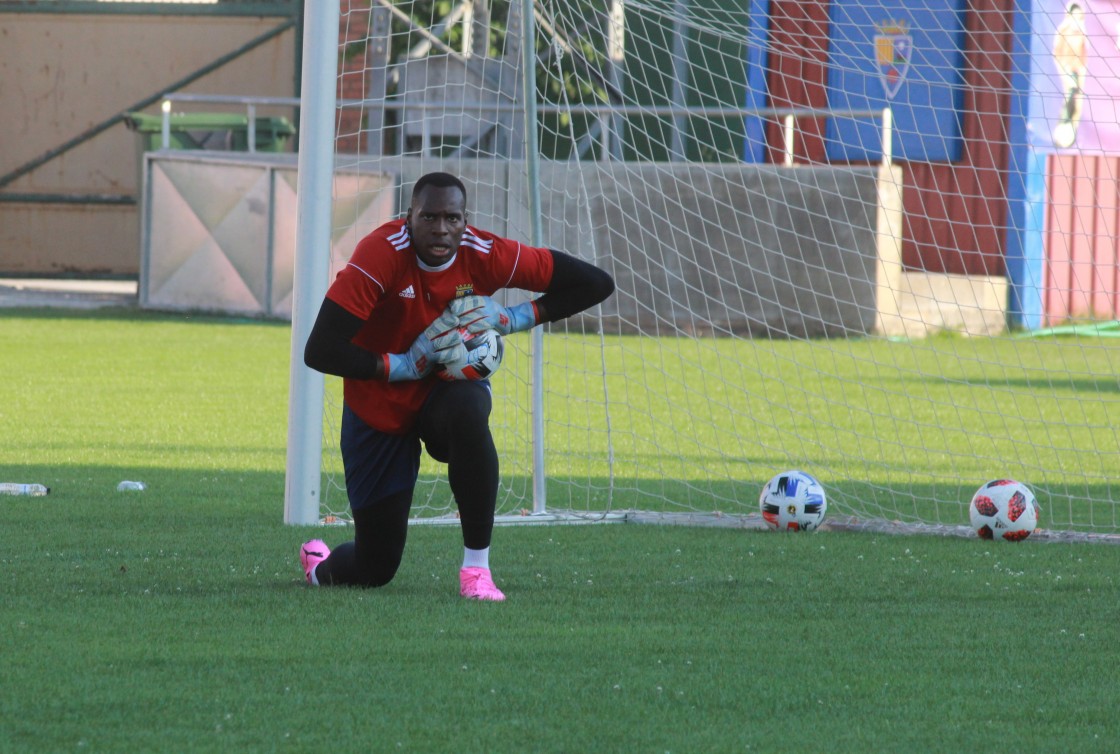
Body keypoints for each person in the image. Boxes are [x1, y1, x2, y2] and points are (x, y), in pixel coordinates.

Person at [298, 172, 615, 601]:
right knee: (375, 568)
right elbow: (320, 350)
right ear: (409, 217)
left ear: (467, 221)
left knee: (469, 409)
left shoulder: (486, 253)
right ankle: (318, 567)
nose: (441, 228)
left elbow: (596, 283)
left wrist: (512, 318)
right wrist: (401, 365)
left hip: (443, 395)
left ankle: (476, 572)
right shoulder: (378, 255)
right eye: (429, 216)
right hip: (379, 404)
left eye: (452, 218)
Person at [1052, 1, 1087, 147]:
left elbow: (1084, 55)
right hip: (1065, 70)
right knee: (1068, 99)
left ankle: (1071, 133)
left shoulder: (1081, 33)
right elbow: (1057, 53)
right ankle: (1061, 132)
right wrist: (1064, 71)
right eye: (1075, 15)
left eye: (1079, 16)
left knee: (1078, 102)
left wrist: (1081, 72)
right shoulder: (1062, 31)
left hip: (1078, 71)